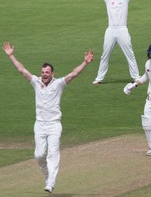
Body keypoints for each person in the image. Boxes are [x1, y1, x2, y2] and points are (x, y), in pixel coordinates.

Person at [2, 41, 93, 193]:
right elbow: (22, 70)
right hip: (39, 124)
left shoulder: (58, 84)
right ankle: (47, 176)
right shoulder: (36, 82)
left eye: (47, 72)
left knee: (52, 154)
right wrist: (11, 56)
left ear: (52, 73)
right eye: (43, 72)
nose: (44, 74)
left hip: (54, 125)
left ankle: (51, 182)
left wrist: (85, 62)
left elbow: (73, 74)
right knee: (39, 156)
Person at [88, 0, 141, 85]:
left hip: (122, 29)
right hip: (110, 30)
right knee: (105, 55)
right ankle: (99, 78)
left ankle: (136, 77)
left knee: (130, 54)